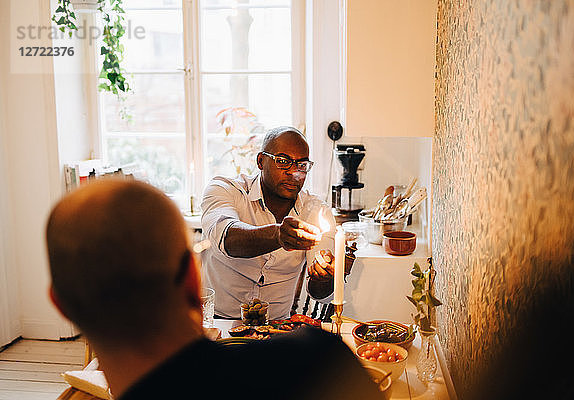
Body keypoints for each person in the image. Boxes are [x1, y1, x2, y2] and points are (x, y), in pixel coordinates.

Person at [45, 179, 384, 400]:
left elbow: (319, 285)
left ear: (60, 305)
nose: (293, 172)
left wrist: (327, 274)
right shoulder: (318, 361)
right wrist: (278, 235)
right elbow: (227, 233)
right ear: (195, 277)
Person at [201, 126, 339, 320]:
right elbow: (227, 238)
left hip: (277, 330)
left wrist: (324, 277)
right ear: (260, 161)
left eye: (302, 165)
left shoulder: (316, 210)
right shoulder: (225, 190)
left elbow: (320, 294)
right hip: (219, 323)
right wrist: (278, 236)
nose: (294, 173)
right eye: (283, 162)